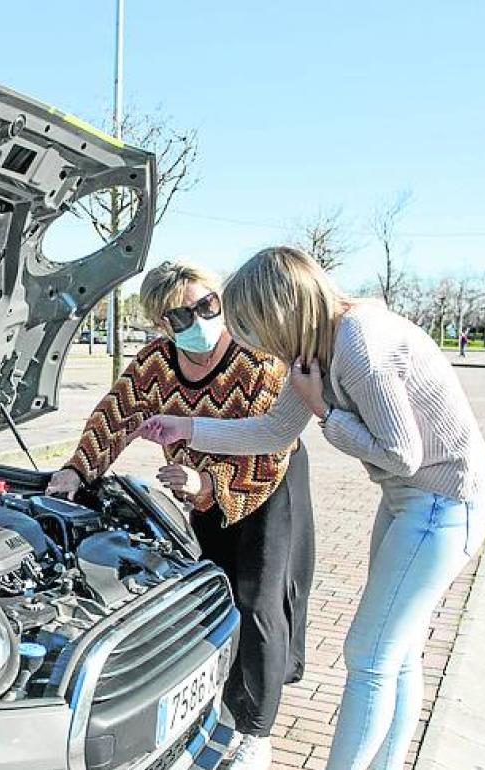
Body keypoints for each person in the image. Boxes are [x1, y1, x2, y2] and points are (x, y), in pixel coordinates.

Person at [131, 247, 485, 770]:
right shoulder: (318, 345)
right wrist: (186, 427)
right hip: (410, 500)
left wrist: (322, 407)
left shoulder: (359, 344)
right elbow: (274, 429)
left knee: (368, 658)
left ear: (277, 311)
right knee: (399, 654)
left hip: (443, 503)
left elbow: (402, 452)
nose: (254, 342)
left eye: (253, 326)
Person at [46, 261, 314, 770]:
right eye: (181, 314)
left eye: (207, 305)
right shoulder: (156, 362)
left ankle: (256, 733)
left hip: (267, 479)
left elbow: (270, 446)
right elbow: (114, 415)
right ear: (159, 323)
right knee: (213, 589)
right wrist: (77, 472)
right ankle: (217, 695)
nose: (200, 318)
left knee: (258, 600)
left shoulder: (255, 360)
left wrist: (211, 484)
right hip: (195, 487)